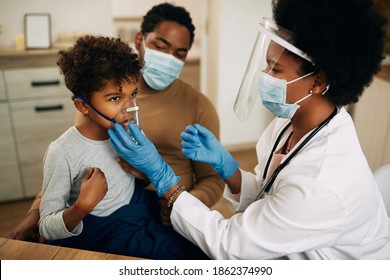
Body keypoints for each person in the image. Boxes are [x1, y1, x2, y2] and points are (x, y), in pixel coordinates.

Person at [108, 0, 390, 259]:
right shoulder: (291, 123)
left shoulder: (323, 183)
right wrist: (228, 168)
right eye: (266, 65)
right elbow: (271, 195)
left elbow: (229, 244)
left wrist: (161, 175)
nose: (264, 77)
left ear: (318, 82)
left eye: (275, 70)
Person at [8, 2, 225, 245]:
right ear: (141, 39)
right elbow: (71, 166)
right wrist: (35, 212)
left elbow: (214, 180)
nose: (169, 59)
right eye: (160, 46)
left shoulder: (199, 106)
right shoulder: (99, 102)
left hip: (167, 205)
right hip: (109, 218)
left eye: (180, 54)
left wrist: (184, 204)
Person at [38, 35, 207, 260]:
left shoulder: (130, 131)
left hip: (138, 207)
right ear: (83, 105)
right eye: (115, 98)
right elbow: (46, 227)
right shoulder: (62, 152)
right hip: (101, 229)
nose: (129, 108)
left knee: (199, 247)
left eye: (133, 95)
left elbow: (139, 178)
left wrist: (143, 177)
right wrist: (82, 206)